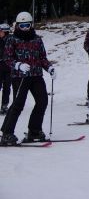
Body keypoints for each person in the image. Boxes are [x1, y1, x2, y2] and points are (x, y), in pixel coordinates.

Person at [0, 12, 56, 145]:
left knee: (42, 101)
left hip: (36, 75)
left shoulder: (37, 39)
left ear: (31, 25)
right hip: (20, 77)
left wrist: (49, 68)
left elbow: (42, 58)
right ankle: (7, 133)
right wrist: (18, 65)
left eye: (27, 25)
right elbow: (7, 58)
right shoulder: (12, 39)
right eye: (22, 25)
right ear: (17, 26)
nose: (25, 28)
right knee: (18, 104)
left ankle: (34, 131)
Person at [0, 24, 12, 115]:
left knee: (7, 87)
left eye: (0, 31)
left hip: (8, 68)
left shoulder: (11, 40)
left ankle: (4, 105)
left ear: (5, 31)